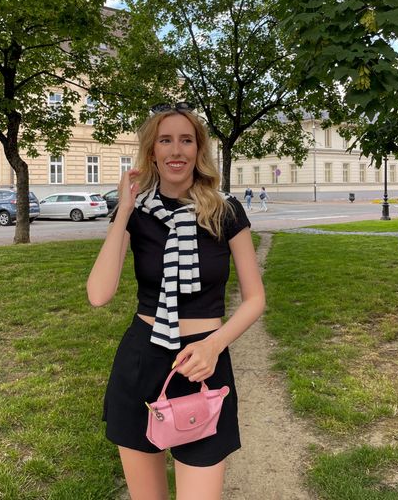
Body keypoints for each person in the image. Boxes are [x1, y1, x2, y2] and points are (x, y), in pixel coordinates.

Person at [87, 102, 265, 500]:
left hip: (205, 364)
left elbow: (255, 298)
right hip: (141, 359)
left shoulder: (226, 212)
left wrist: (214, 345)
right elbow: (98, 294)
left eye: (186, 140)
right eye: (165, 141)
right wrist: (124, 211)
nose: (176, 150)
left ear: (198, 150)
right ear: (152, 152)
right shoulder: (135, 213)